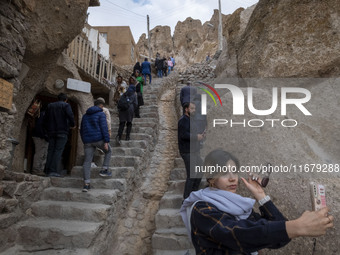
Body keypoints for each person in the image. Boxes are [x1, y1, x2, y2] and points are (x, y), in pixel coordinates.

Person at [180, 149, 334, 255]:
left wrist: (261, 195)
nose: (232, 178)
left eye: (234, 171)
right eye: (224, 173)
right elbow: (238, 234)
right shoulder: (201, 208)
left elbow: (279, 240)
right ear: (211, 178)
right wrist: (297, 226)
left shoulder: (241, 208)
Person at [80, 98, 112, 192]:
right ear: (101, 106)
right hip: (98, 139)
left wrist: (84, 140)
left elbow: (81, 129)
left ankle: (86, 184)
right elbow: (104, 128)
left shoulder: (85, 115)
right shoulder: (101, 114)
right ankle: (104, 169)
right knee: (109, 151)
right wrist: (106, 141)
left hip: (87, 141)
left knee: (87, 161)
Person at [178, 102, 206, 199]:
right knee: (191, 175)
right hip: (187, 152)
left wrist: (200, 135)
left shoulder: (190, 120)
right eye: (192, 108)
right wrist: (196, 136)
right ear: (186, 109)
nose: (194, 110)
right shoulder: (183, 120)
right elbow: (183, 135)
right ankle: (186, 199)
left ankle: (193, 193)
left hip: (194, 151)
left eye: (194, 108)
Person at [44, 93, 75, 177]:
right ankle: (53, 171)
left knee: (50, 150)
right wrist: (72, 125)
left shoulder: (50, 106)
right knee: (58, 151)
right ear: (66, 100)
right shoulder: (66, 105)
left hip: (51, 131)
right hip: (62, 131)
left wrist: (47, 129)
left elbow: (46, 118)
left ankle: (47, 170)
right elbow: (70, 116)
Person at [115, 76, 138, 145]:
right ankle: (127, 136)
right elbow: (136, 104)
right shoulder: (134, 95)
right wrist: (133, 109)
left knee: (122, 123)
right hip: (130, 110)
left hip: (122, 110)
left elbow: (120, 100)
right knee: (129, 123)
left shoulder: (124, 93)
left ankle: (119, 136)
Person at [31, 107, 48, 176]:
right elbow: (39, 126)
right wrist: (44, 135)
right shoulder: (43, 115)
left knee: (43, 153)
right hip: (40, 137)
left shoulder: (44, 114)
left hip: (41, 136)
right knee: (40, 153)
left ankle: (40, 170)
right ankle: (36, 170)